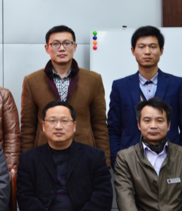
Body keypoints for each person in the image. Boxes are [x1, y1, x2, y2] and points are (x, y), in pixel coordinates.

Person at [20, 25, 110, 166]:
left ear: (75, 47)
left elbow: (100, 125)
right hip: (44, 156)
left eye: (67, 43)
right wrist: (26, 163)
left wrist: (105, 163)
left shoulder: (93, 80)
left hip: (84, 155)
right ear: (47, 48)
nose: (61, 48)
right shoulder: (32, 81)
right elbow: (28, 128)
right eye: (55, 44)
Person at [17, 100, 112, 211]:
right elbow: (25, 198)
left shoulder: (95, 157)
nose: (58, 126)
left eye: (64, 121)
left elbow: (103, 196)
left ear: (74, 126)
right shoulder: (28, 160)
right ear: (43, 126)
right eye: (52, 121)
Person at [108, 25, 182, 168]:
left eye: (153, 47)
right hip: (130, 161)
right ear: (133, 51)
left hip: (170, 160)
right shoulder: (120, 86)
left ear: (161, 51)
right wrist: (117, 161)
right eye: (141, 47)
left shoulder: (177, 84)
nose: (147, 51)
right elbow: (113, 129)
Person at [114, 97, 182, 210]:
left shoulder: (180, 155)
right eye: (147, 120)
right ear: (139, 125)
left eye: (159, 120)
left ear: (168, 125)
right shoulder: (125, 158)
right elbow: (125, 199)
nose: (153, 126)